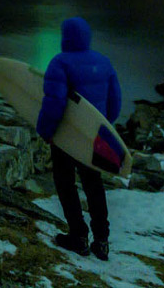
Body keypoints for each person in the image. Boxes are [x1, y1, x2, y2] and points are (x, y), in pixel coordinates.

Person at [36, 16, 121, 260]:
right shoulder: (104, 62)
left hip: (66, 136)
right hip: (94, 137)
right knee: (93, 183)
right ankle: (102, 240)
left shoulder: (60, 63)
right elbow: (115, 102)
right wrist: (105, 128)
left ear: (65, 37)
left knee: (65, 183)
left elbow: (54, 102)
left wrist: (46, 131)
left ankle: (78, 236)